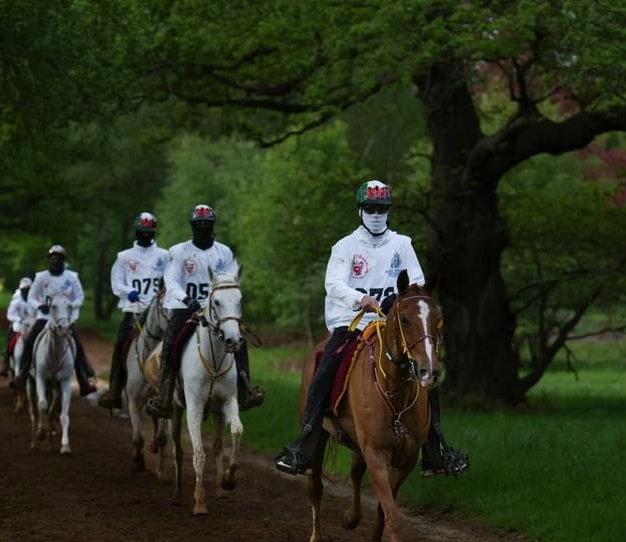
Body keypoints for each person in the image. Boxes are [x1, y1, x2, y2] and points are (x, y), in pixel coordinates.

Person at [274, 179, 466, 478]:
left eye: (381, 209)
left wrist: (400, 300)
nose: (376, 214)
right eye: (370, 208)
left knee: (425, 371)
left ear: (388, 210)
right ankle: (306, 442)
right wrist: (359, 298)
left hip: (393, 324)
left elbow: (415, 282)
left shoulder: (402, 244)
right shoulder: (345, 246)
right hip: (351, 323)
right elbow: (333, 284)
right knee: (325, 367)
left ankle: (434, 448)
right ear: (361, 210)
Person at [144, 203, 265, 418]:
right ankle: (164, 397)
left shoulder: (224, 252)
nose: (202, 227)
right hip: (184, 308)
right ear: (192, 226)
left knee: (239, 341)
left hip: (216, 310)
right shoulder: (179, 251)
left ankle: (245, 391)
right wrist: (185, 298)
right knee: (171, 342)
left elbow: (232, 281)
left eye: (206, 223)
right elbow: (170, 280)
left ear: (212, 225)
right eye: (198, 223)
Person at [97, 211, 169, 411]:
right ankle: (114, 391)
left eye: (148, 232)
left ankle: (176, 390)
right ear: (136, 232)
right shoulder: (124, 257)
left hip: (158, 312)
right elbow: (116, 282)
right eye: (142, 232)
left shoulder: (165, 256)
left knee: (175, 342)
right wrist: (128, 291)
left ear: (153, 232)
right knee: (121, 345)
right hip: (134, 311)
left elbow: (171, 280)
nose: (145, 235)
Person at [13, 244, 99, 397]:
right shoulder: (41, 277)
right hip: (45, 318)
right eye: (52, 258)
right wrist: (40, 306)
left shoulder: (72, 277)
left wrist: (72, 305)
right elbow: (32, 297)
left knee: (77, 345)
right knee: (29, 340)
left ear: (63, 260)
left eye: (58, 258)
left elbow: (80, 296)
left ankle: (84, 380)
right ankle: (23, 374)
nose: (54, 261)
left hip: (65, 318)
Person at [0, 277, 34, 376]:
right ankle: (6, 363)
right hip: (18, 326)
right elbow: (10, 315)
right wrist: (19, 319)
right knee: (11, 342)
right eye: (24, 289)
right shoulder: (16, 300)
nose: (26, 291)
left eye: (28, 289)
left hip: (32, 325)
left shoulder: (34, 300)